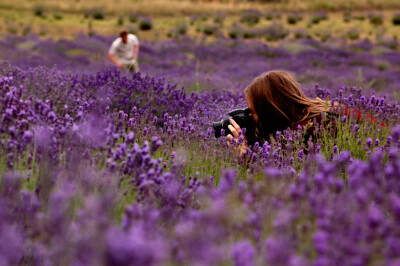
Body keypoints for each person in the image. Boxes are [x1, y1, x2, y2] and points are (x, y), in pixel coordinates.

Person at [227, 70, 335, 153]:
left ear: (270, 113)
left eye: (253, 112)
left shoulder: (305, 131)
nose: (250, 116)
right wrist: (254, 140)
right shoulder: (322, 112)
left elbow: (282, 176)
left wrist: (244, 154)